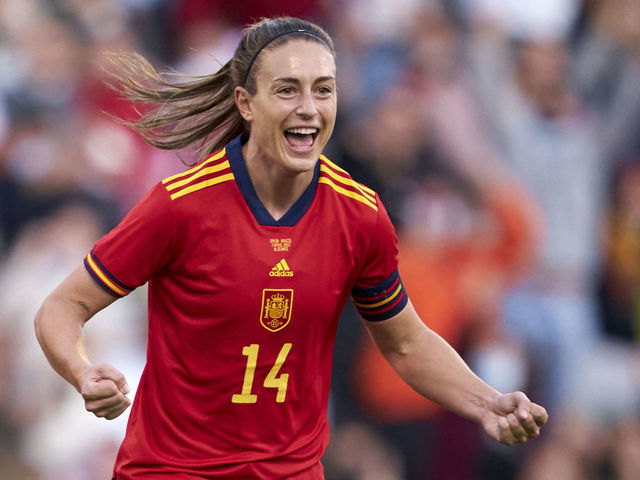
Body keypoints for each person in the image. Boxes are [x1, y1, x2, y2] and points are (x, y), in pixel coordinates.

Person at [34, 16, 547, 480]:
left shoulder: (359, 215)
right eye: (287, 90)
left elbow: (406, 342)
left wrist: (486, 402)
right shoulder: (181, 206)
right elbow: (63, 305)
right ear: (245, 103)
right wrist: (82, 372)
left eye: (323, 90)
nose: (309, 108)